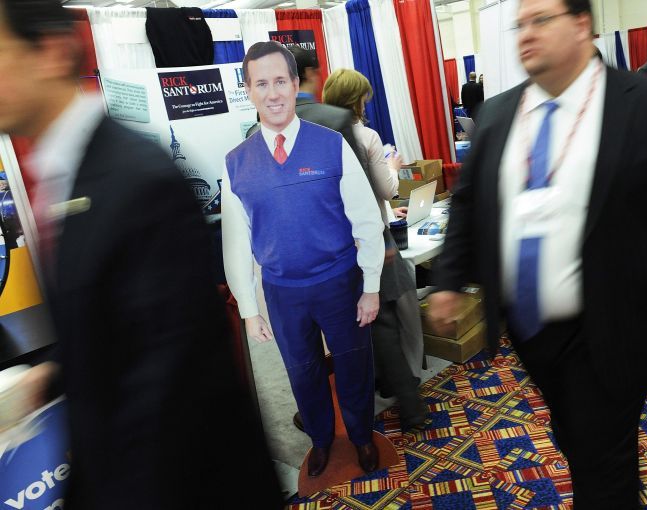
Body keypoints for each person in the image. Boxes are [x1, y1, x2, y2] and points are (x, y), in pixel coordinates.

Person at [428, 0, 647, 507]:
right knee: (579, 436)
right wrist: (448, 280)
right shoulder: (498, 112)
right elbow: (469, 204)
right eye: (520, 25)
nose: (525, 35)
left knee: (602, 463)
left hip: (614, 321)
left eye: (541, 20)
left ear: (582, 25)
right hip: (530, 329)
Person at [0, 1, 282, 508]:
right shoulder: (66, 175)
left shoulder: (136, 180)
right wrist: (59, 367)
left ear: (48, 50)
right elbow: (113, 314)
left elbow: (172, 388)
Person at [222, 41, 385, 478]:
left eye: (280, 81)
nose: (272, 93)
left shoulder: (331, 145)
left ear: (295, 86)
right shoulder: (235, 162)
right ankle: (320, 439)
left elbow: (366, 219)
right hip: (282, 292)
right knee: (302, 372)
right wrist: (249, 308)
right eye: (261, 84)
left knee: (354, 363)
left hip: (340, 282)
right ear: (249, 91)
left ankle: (363, 437)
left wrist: (371, 286)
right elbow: (235, 242)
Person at [323, 68, 428, 432]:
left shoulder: (318, 136)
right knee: (390, 314)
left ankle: (376, 389)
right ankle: (409, 396)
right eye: (365, 97)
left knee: (360, 322)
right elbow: (384, 188)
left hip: (340, 245)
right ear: (357, 99)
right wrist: (393, 167)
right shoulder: (365, 135)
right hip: (373, 241)